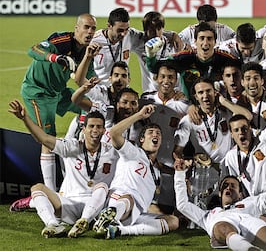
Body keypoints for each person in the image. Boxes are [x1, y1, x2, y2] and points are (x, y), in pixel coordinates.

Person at [8, 100, 115, 238]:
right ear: (83, 129)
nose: (95, 130)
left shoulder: (112, 152)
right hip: (69, 204)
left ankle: (84, 221)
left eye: (99, 127)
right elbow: (44, 139)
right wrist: (25, 118)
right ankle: (53, 224)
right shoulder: (71, 147)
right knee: (37, 188)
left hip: (98, 209)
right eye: (91, 126)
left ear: (104, 130)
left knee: (102, 187)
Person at [20, 13, 98, 192]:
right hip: (38, 92)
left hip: (59, 92)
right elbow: (33, 49)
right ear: (76, 28)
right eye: (86, 27)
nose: (90, 32)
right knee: (48, 140)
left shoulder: (88, 51)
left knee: (89, 108)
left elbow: (87, 79)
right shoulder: (62, 40)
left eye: (93, 28)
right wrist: (55, 57)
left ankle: (70, 143)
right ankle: (50, 192)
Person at [174, 160, 266, 251]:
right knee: (223, 225)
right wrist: (179, 174)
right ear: (220, 194)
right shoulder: (209, 214)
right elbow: (182, 205)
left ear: (240, 194)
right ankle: (248, 249)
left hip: (248, 222)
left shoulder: (250, 203)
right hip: (223, 227)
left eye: (233, 186)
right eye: (225, 186)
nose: (228, 187)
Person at [93, 105, 179, 239]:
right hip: (119, 201)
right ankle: (109, 216)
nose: (155, 135)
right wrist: (139, 115)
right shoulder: (134, 152)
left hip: (137, 212)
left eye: (158, 133)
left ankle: (119, 230)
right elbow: (114, 133)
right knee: (129, 198)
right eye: (150, 132)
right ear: (141, 140)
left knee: (173, 221)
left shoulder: (155, 171)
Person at [173, 78, 252, 209]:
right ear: (195, 96)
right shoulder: (189, 120)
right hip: (202, 171)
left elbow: (247, 117)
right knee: (198, 213)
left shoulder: (227, 113)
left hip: (228, 169)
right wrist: (184, 168)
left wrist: (224, 101)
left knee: (231, 210)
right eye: (201, 92)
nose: (205, 96)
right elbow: (177, 151)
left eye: (208, 91)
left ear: (215, 92)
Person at [139, 62, 189, 213]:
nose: (166, 81)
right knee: (143, 204)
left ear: (176, 80)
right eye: (162, 77)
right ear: (156, 78)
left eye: (170, 77)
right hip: (147, 161)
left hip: (169, 162)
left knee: (166, 208)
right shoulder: (146, 99)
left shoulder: (184, 104)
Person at [146, 22, 240, 98]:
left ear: (215, 42)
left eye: (209, 39)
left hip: (219, 108)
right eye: (202, 38)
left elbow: (245, 71)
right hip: (189, 108)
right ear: (195, 41)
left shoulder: (225, 59)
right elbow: (155, 68)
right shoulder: (184, 58)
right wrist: (150, 55)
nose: (205, 43)